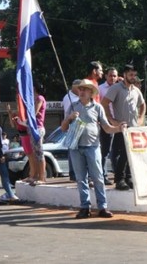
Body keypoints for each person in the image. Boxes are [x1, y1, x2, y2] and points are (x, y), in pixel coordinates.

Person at [61, 80, 126, 219]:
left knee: (98, 178)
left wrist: (119, 128)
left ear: (91, 93)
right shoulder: (73, 106)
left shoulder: (97, 108)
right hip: (76, 147)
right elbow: (63, 128)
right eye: (80, 89)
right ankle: (85, 207)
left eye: (85, 89)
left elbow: (107, 128)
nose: (82, 91)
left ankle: (102, 207)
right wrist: (69, 118)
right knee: (81, 179)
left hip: (93, 146)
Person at [101, 65, 146, 191]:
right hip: (122, 127)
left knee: (130, 154)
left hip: (133, 128)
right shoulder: (116, 88)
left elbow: (142, 105)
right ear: (125, 74)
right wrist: (112, 120)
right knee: (122, 154)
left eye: (134, 75)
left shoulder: (136, 90)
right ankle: (119, 179)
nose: (133, 77)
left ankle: (128, 177)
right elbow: (104, 103)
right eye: (130, 75)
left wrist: (141, 119)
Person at [98, 68, 118, 186]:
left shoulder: (120, 88)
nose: (112, 78)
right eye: (110, 76)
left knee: (118, 151)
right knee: (105, 151)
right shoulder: (101, 89)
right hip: (106, 124)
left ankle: (118, 175)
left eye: (114, 76)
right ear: (106, 76)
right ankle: (103, 176)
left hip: (119, 123)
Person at [62, 79, 82, 181]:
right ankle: (73, 173)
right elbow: (68, 113)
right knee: (72, 150)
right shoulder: (69, 98)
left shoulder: (77, 97)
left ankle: (75, 173)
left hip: (79, 126)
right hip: (72, 125)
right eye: (80, 88)